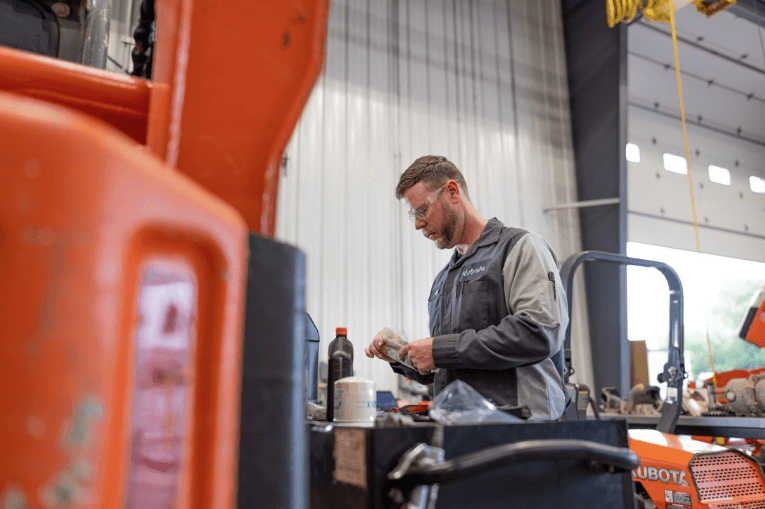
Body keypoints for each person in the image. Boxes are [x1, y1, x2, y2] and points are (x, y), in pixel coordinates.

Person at [365, 155, 569, 420]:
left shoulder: (518, 247)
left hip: (520, 429)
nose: (417, 224)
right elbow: (452, 364)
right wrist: (401, 355)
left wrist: (438, 350)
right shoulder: (443, 280)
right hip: (461, 429)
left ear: (452, 191)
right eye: (412, 215)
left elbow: (539, 332)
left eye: (421, 210)